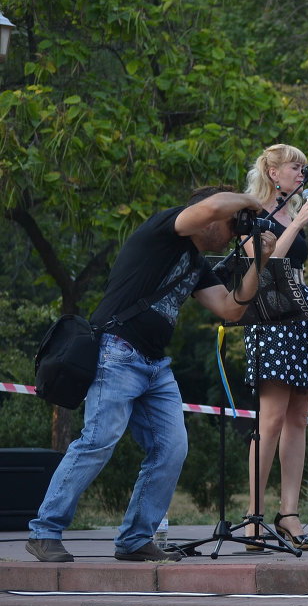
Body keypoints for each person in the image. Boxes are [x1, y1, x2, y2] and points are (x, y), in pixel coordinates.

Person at [26, 187, 277, 563]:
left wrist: (261, 260)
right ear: (207, 216)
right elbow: (209, 207)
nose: (232, 233)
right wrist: (249, 200)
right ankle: (45, 531)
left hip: (155, 365)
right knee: (98, 440)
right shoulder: (165, 227)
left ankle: (135, 539)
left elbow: (230, 309)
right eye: (229, 224)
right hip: (118, 351)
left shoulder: (196, 264)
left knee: (172, 448)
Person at [240, 144, 308, 552]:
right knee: (272, 419)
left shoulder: (292, 210)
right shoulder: (251, 215)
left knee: (299, 416)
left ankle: (289, 513)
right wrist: (297, 222)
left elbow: (291, 280)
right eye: (294, 167)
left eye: (304, 167)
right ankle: (253, 517)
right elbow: (265, 268)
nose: (302, 173)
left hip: (301, 320)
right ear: (272, 170)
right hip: (269, 324)